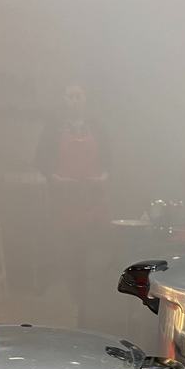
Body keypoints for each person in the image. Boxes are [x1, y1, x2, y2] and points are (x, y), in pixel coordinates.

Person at [35, 84, 111, 317]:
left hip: (93, 198)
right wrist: (54, 177)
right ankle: (73, 297)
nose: (75, 101)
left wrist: (104, 176)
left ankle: (93, 299)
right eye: (70, 96)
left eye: (79, 96)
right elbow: (40, 160)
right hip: (65, 199)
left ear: (86, 99)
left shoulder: (97, 127)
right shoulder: (53, 129)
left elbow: (111, 160)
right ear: (64, 100)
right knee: (70, 250)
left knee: (95, 250)